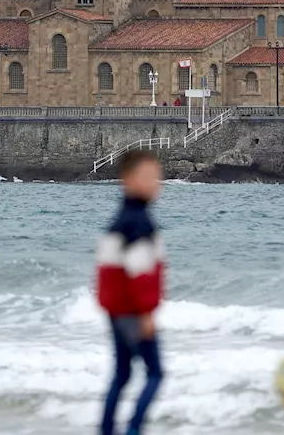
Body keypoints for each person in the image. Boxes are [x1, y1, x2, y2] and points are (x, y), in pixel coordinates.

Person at [96, 150, 165, 435]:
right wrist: (147, 313)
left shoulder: (120, 219)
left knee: (122, 373)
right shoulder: (138, 222)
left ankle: (106, 429)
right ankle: (134, 428)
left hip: (115, 310)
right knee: (155, 373)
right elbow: (139, 272)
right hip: (132, 311)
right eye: (147, 176)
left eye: (157, 176)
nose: (154, 183)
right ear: (126, 180)